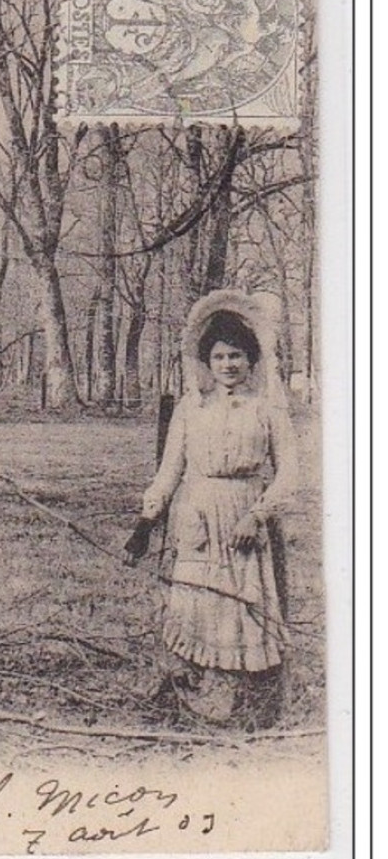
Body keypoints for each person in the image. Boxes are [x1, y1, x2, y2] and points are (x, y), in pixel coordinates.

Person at [139, 291, 296, 729]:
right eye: (220, 356)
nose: (228, 365)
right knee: (194, 605)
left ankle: (242, 705)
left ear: (251, 360)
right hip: (196, 519)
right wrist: (148, 515)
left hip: (245, 520)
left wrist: (257, 516)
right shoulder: (191, 409)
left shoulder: (267, 408)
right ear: (206, 362)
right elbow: (171, 468)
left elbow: (289, 475)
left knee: (240, 608)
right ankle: (192, 698)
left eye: (237, 356)